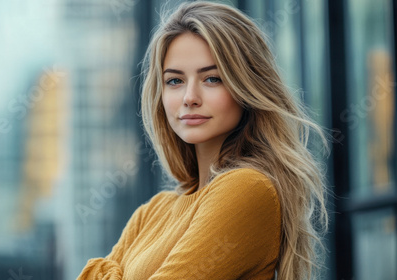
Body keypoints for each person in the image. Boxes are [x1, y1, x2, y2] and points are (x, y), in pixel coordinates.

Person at [78, 1, 329, 279]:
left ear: (246, 86)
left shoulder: (247, 190)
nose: (189, 98)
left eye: (212, 79)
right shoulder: (152, 212)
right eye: (175, 81)